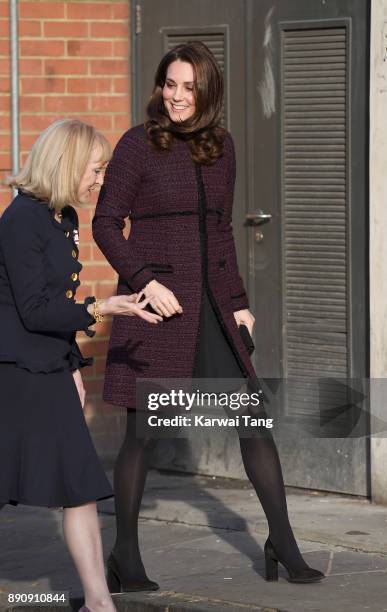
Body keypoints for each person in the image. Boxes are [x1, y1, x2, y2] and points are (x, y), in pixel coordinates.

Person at [92, 42, 325, 590]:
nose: (176, 96)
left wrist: (240, 303)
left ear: (207, 92)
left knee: (253, 420)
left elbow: (220, 234)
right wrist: (145, 281)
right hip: (158, 310)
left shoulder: (222, 148)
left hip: (214, 309)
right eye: (169, 84)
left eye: (188, 87)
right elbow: (105, 224)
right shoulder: (136, 145)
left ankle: (283, 543)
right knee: (142, 435)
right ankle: (126, 555)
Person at [0, 119, 161, 612]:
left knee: (79, 487)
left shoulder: (62, 216)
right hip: (13, 373)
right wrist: (102, 309)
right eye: (97, 169)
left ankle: (97, 602)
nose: (101, 180)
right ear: (68, 165)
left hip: (48, 367)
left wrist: (72, 365)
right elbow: (34, 309)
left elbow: (57, 304)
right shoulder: (21, 220)